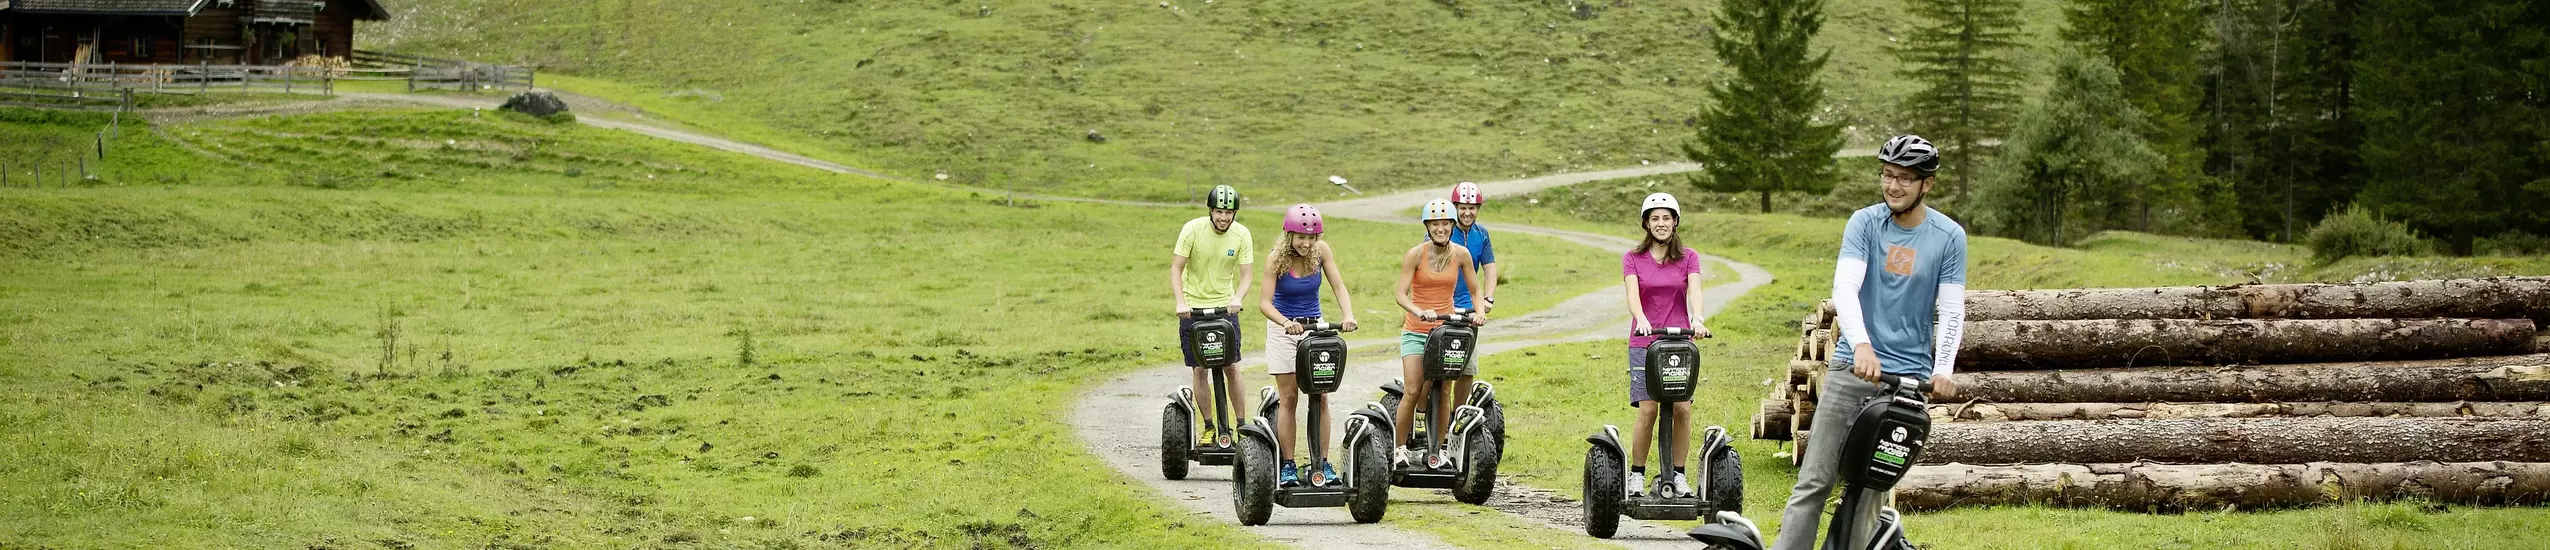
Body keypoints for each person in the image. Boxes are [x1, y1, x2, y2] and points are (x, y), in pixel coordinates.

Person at [1773, 135, 1967, 550]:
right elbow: (1845, 286)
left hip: (1908, 385)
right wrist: (1861, 344)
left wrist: (1943, 370)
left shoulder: (1949, 236)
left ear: (1926, 185)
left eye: (1905, 179)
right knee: (1815, 481)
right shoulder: (1864, 222)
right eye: (1888, 176)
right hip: (1851, 370)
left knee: (1870, 492)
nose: (1893, 186)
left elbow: (1951, 310)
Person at [1256, 204, 1360, 488]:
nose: (1307, 243)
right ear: (1288, 234)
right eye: (1301, 237)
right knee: (1289, 398)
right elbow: (1265, 302)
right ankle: (1288, 465)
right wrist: (1285, 322)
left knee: (1321, 395)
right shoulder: (1276, 258)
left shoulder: (1322, 251)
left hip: (1315, 326)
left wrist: (1347, 315)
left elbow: (1338, 285)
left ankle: (1323, 463)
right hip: (1283, 328)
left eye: (1312, 237)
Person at [1621, 192, 1712, 498]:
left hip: (1678, 343)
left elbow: (1695, 291)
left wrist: (1698, 319)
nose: (1661, 223)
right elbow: (1633, 295)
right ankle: (1637, 474)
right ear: (1646, 223)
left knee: (1682, 408)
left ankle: (1678, 475)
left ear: (1675, 222)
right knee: (1648, 409)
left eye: (1666, 218)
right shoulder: (1632, 258)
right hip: (1644, 341)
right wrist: (1641, 318)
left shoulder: (1689, 257)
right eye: (1655, 218)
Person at [1392, 198, 1487, 468]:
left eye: (1445, 223)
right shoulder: (1415, 254)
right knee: (1412, 389)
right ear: (1427, 226)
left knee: (1444, 389)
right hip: (1416, 330)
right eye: (1435, 223)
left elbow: (1475, 289)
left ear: (1452, 225)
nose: (1441, 228)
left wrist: (1479, 312)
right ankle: (1400, 448)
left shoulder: (1461, 255)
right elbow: (1400, 294)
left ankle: (1439, 449)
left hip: (1445, 332)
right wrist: (1418, 310)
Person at [1170, 184, 1255, 447]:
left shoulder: (1241, 235)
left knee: (1232, 367)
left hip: (1224, 308)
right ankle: (1208, 427)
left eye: (1229, 213)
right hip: (1193, 309)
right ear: (1210, 211)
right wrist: (1181, 302)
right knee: (1200, 369)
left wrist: (1237, 298)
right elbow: (1176, 268)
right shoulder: (1192, 229)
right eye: (1219, 212)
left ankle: (1241, 426)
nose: (1223, 218)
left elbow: (1247, 275)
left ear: (1235, 213)